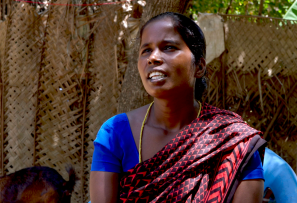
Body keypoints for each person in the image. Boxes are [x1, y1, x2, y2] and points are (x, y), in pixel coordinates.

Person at [90, 12, 266, 203]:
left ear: (199, 66)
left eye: (169, 47)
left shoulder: (233, 140)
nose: (153, 58)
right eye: (146, 51)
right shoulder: (115, 133)